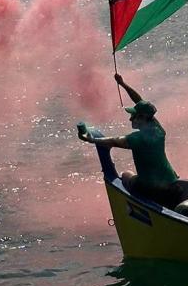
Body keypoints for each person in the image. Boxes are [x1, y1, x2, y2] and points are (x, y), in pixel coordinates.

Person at [77, 73, 182, 208]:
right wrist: (123, 84)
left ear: (142, 118)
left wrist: (91, 139)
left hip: (153, 190)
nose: (130, 119)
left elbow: (114, 141)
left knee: (126, 175)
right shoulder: (158, 129)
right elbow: (139, 101)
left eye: (133, 116)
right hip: (173, 185)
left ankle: (132, 208)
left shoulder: (137, 139)